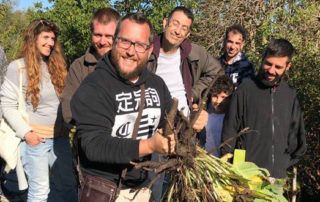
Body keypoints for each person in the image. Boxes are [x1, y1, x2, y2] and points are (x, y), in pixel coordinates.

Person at [71, 13, 175, 200]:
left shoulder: (156, 85)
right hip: (104, 190)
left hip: (143, 189)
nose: (131, 51)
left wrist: (189, 124)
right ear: (115, 42)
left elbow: (169, 123)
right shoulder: (94, 86)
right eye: (125, 41)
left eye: (140, 45)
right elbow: (94, 145)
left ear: (150, 49)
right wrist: (149, 145)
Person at [0, 19, 75, 201]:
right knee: (40, 192)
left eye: (53, 38)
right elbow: (7, 106)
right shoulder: (17, 68)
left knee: (67, 186)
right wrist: (27, 134)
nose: (50, 42)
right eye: (46, 37)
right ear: (33, 37)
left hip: (60, 139)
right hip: (36, 141)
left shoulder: (56, 66)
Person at [221, 38, 307, 178]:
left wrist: (282, 164)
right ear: (263, 59)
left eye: (278, 67)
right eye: (268, 64)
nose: (271, 70)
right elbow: (229, 132)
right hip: (245, 176)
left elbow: (297, 140)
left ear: (288, 66)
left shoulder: (289, 95)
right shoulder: (245, 90)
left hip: (277, 179)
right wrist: (232, 169)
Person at [147, 6, 222, 123]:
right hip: (150, 122)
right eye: (175, 24)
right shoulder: (147, 50)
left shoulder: (194, 53)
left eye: (184, 28)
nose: (177, 31)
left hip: (182, 124)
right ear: (165, 23)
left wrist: (193, 93)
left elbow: (217, 72)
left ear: (187, 34)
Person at [61, 8, 120, 124]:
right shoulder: (79, 67)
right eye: (98, 35)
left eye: (109, 36)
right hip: (90, 136)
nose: (102, 42)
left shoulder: (129, 64)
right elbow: (68, 111)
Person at [204, 75, 234, 157]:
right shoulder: (206, 116)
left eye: (223, 97)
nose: (218, 101)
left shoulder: (232, 119)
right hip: (208, 161)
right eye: (215, 96)